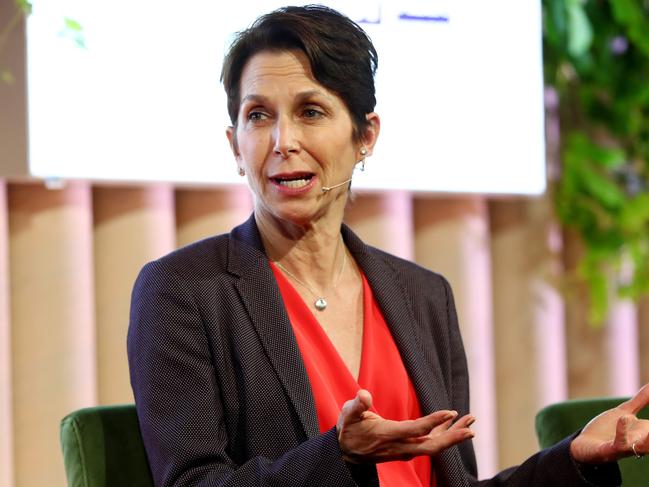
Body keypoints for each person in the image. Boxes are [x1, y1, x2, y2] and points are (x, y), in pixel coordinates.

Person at [127, 5, 649, 486]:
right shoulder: (185, 290)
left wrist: (573, 458)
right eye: (258, 115)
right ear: (235, 146)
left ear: (365, 137)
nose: (282, 141)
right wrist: (340, 455)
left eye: (311, 111)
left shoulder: (423, 296)